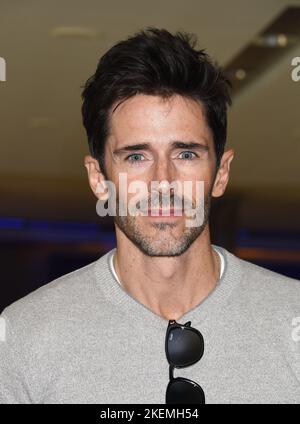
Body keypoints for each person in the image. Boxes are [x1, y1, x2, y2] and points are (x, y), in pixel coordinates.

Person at [0, 27, 299, 404]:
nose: (163, 181)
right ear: (98, 178)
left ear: (221, 173)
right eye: (136, 156)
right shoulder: (25, 335)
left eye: (186, 154)